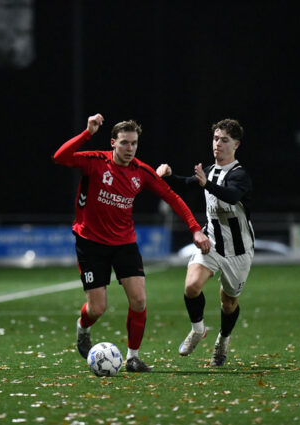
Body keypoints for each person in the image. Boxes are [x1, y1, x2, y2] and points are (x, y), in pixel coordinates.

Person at [53, 113, 210, 372]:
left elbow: (172, 198)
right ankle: (83, 328)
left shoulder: (142, 172)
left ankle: (133, 358)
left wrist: (195, 228)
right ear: (113, 143)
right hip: (90, 243)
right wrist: (87, 133)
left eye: (134, 143)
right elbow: (60, 157)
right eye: (124, 142)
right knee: (97, 308)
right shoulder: (95, 162)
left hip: (124, 243)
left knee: (138, 301)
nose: (130, 148)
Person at [155, 118, 254, 367]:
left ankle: (223, 340)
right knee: (191, 286)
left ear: (236, 145)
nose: (217, 144)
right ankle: (198, 330)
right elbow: (186, 184)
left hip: (238, 251)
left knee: (228, 303)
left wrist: (206, 184)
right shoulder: (208, 171)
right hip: (211, 242)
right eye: (215, 138)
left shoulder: (240, 175)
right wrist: (169, 176)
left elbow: (232, 195)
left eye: (224, 140)